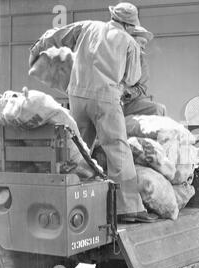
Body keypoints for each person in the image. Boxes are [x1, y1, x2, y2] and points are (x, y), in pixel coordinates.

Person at [28, 2, 150, 222]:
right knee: (117, 149)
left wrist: (37, 49)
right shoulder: (129, 42)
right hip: (106, 99)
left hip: (77, 97)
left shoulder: (87, 26)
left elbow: (55, 35)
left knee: (78, 149)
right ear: (129, 24)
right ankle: (128, 208)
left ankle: (72, 200)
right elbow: (132, 79)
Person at [122, 25, 167, 117]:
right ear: (130, 41)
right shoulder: (115, 55)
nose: (144, 47)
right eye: (142, 43)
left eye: (145, 44)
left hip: (127, 102)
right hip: (107, 99)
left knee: (158, 109)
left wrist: (126, 93)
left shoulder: (141, 60)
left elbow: (141, 87)